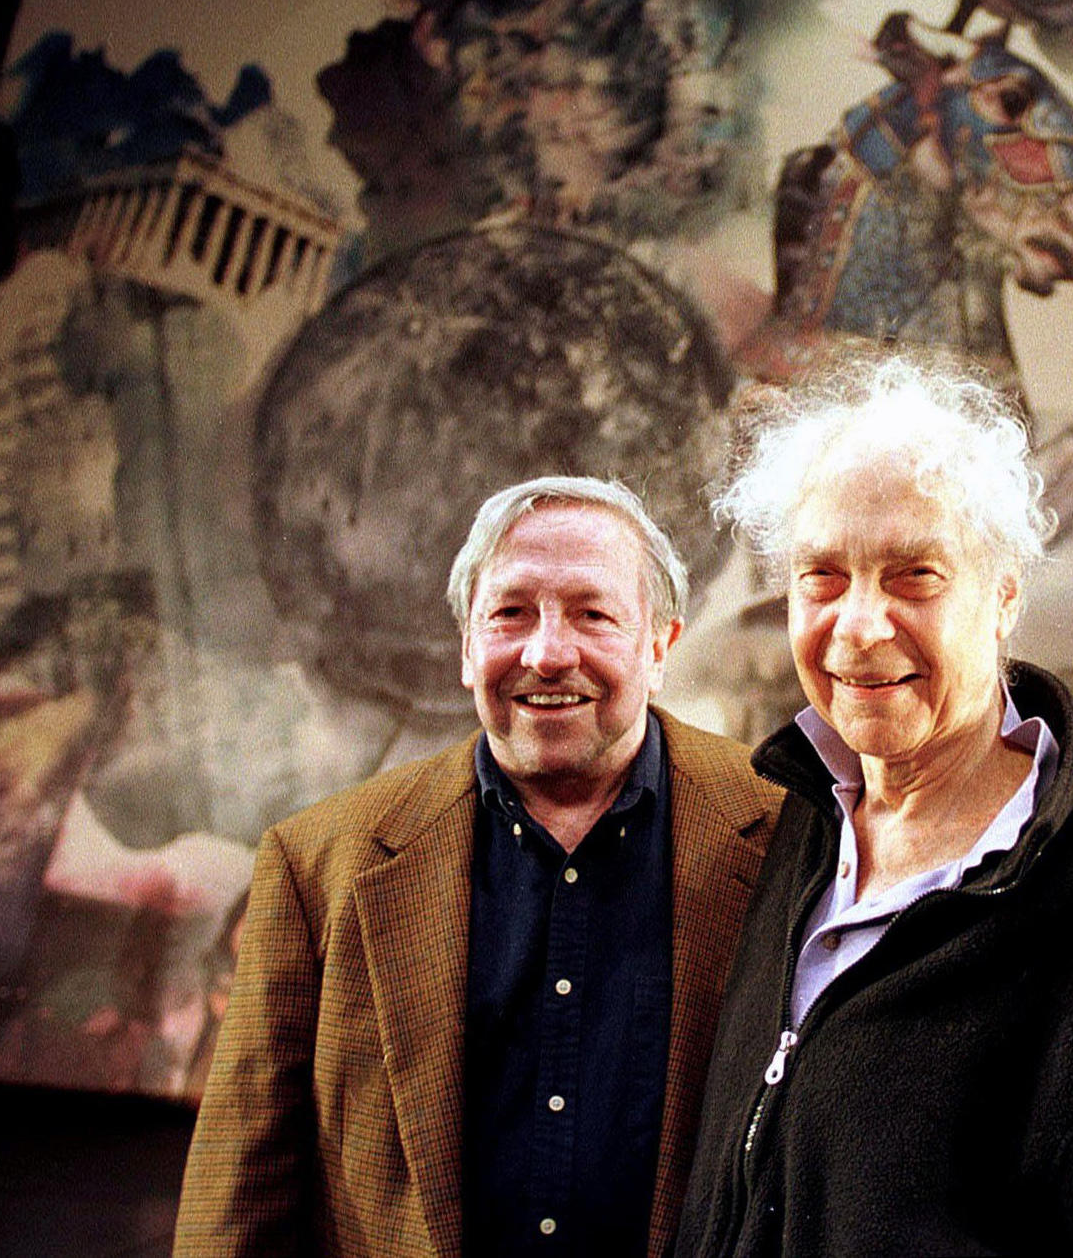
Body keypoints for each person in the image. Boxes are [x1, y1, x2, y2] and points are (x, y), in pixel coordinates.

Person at [677, 359, 1073, 1256]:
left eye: (914, 573)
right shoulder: (794, 834)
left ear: (1004, 593)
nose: (860, 625)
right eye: (822, 575)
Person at [174, 477, 781, 1258]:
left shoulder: (784, 834)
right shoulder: (316, 865)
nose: (547, 652)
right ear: (467, 647)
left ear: (659, 644)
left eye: (593, 614)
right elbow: (238, 1194)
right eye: (510, 613)